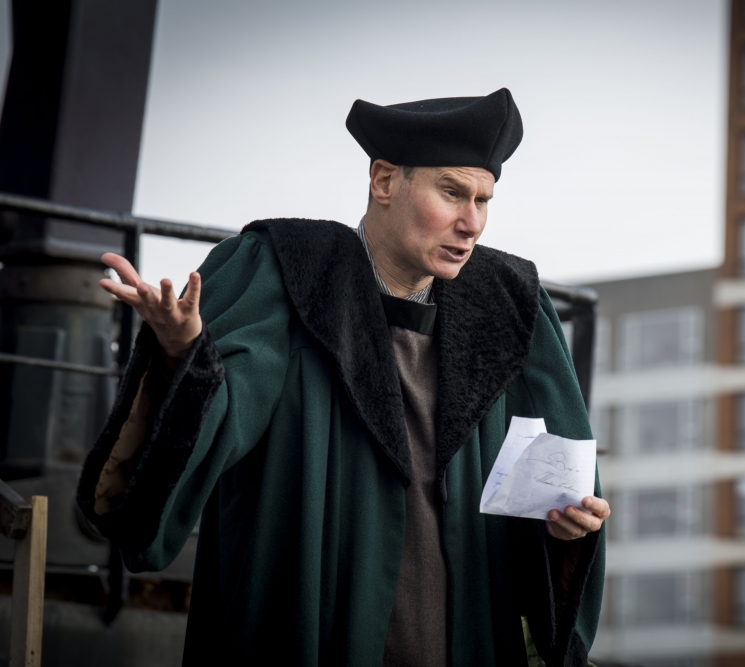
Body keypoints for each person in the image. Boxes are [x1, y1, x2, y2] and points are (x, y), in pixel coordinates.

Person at [77, 88, 608, 667]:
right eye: (452, 192)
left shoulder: (511, 308)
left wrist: (566, 531)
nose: (471, 222)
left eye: (484, 200)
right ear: (383, 180)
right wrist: (182, 355)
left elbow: (553, 494)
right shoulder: (284, 273)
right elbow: (219, 420)